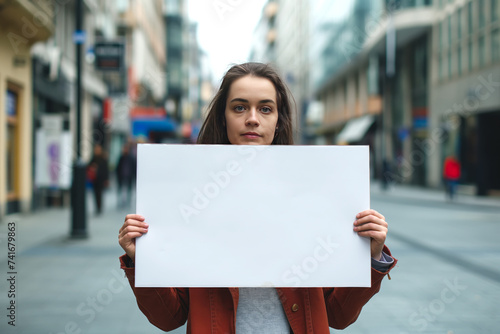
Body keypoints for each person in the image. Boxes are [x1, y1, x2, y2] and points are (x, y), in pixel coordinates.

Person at [118, 62, 397, 333]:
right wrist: (140, 259)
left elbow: (338, 315)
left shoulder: (314, 194)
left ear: (278, 121)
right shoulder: (192, 197)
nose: (252, 118)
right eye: (239, 107)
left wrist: (369, 257)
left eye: (265, 108)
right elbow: (169, 317)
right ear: (222, 117)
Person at [88, 144, 109, 215]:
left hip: (101, 179)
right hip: (95, 179)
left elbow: (106, 170)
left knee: (99, 194)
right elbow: (89, 166)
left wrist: (106, 179)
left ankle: (99, 208)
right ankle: (97, 207)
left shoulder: (103, 159)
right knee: (95, 194)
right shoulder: (94, 158)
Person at [116, 143, 136, 208]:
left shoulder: (131, 157)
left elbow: (134, 167)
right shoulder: (121, 157)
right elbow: (118, 167)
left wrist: (134, 176)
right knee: (121, 189)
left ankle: (128, 201)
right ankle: (122, 202)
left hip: (129, 176)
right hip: (122, 176)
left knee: (129, 189)